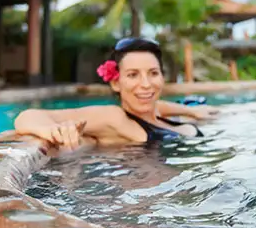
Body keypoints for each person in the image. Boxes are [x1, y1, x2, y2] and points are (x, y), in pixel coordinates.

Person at [14, 38, 219, 151]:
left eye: (153, 73)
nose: (146, 84)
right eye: (133, 75)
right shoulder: (116, 118)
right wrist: (53, 130)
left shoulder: (156, 113)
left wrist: (194, 112)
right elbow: (26, 117)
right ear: (115, 83)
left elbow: (159, 106)